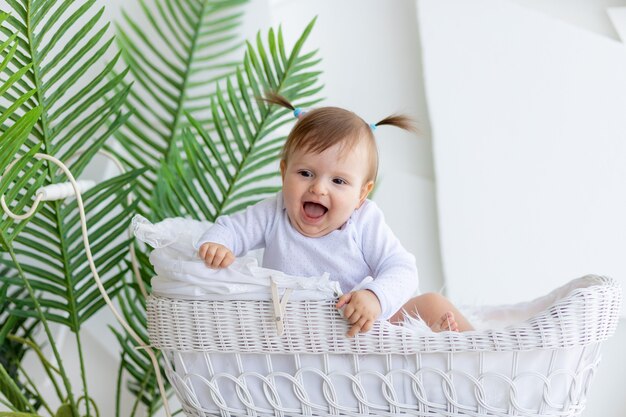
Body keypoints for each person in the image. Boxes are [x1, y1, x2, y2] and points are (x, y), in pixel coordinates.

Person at [195, 92, 473, 336]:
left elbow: (401, 267)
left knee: (432, 305)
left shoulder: (364, 220)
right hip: (302, 329)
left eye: (338, 181)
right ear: (284, 172)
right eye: (305, 173)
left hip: (367, 322)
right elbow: (231, 228)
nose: (318, 188)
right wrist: (219, 245)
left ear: (361, 195)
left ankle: (466, 350)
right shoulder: (274, 212)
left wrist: (374, 298)